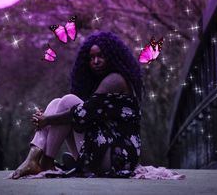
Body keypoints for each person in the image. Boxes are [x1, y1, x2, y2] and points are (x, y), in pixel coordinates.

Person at [9, 31, 144, 179]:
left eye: (101, 56)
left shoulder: (115, 80)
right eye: (91, 57)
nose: (96, 61)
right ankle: (33, 158)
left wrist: (46, 120)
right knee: (56, 103)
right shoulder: (103, 80)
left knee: (68, 101)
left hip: (117, 158)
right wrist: (47, 118)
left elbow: (81, 114)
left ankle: (45, 161)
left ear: (113, 56)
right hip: (102, 148)